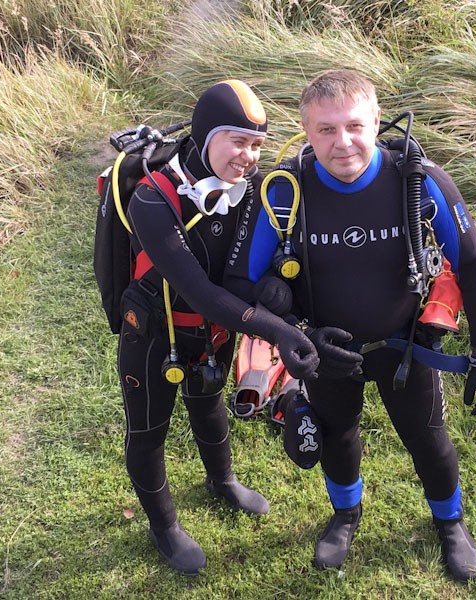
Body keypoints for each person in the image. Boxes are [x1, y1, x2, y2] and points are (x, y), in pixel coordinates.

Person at [224, 70, 476, 582]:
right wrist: (298, 333)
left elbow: (474, 267)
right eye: (326, 130)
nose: (343, 142)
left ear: (376, 121)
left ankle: (450, 522)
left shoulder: (418, 181)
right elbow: (241, 282)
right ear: (306, 131)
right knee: (336, 434)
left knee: (427, 438)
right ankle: (345, 514)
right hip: (324, 349)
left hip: (405, 347)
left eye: (354, 125)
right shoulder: (283, 191)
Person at [115, 80, 319, 575]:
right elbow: (199, 289)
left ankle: (221, 481)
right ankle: (163, 525)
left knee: (208, 406)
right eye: (237, 140)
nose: (248, 156)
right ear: (206, 136)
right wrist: (276, 332)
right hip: (154, 334)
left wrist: (274, 292)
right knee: (148, 431)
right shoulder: (152, 198)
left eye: (256, 145)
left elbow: (235, 275)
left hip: (213, 333)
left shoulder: (247, 189)